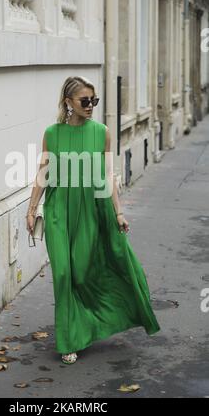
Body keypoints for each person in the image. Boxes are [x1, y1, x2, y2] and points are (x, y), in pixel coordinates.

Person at [26, 76, 160, 365]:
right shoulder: (52, 133)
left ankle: (90, 322)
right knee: (63, 274)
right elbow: (43, 172)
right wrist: (31, 208)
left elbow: (108, 175)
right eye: (84, 101)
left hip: (91, 208)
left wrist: (118, 212)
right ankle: (69, 340)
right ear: (68, 103)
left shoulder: (102, 132)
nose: (90, 106)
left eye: (94, 101)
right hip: (59, 209)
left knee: (83, 273)